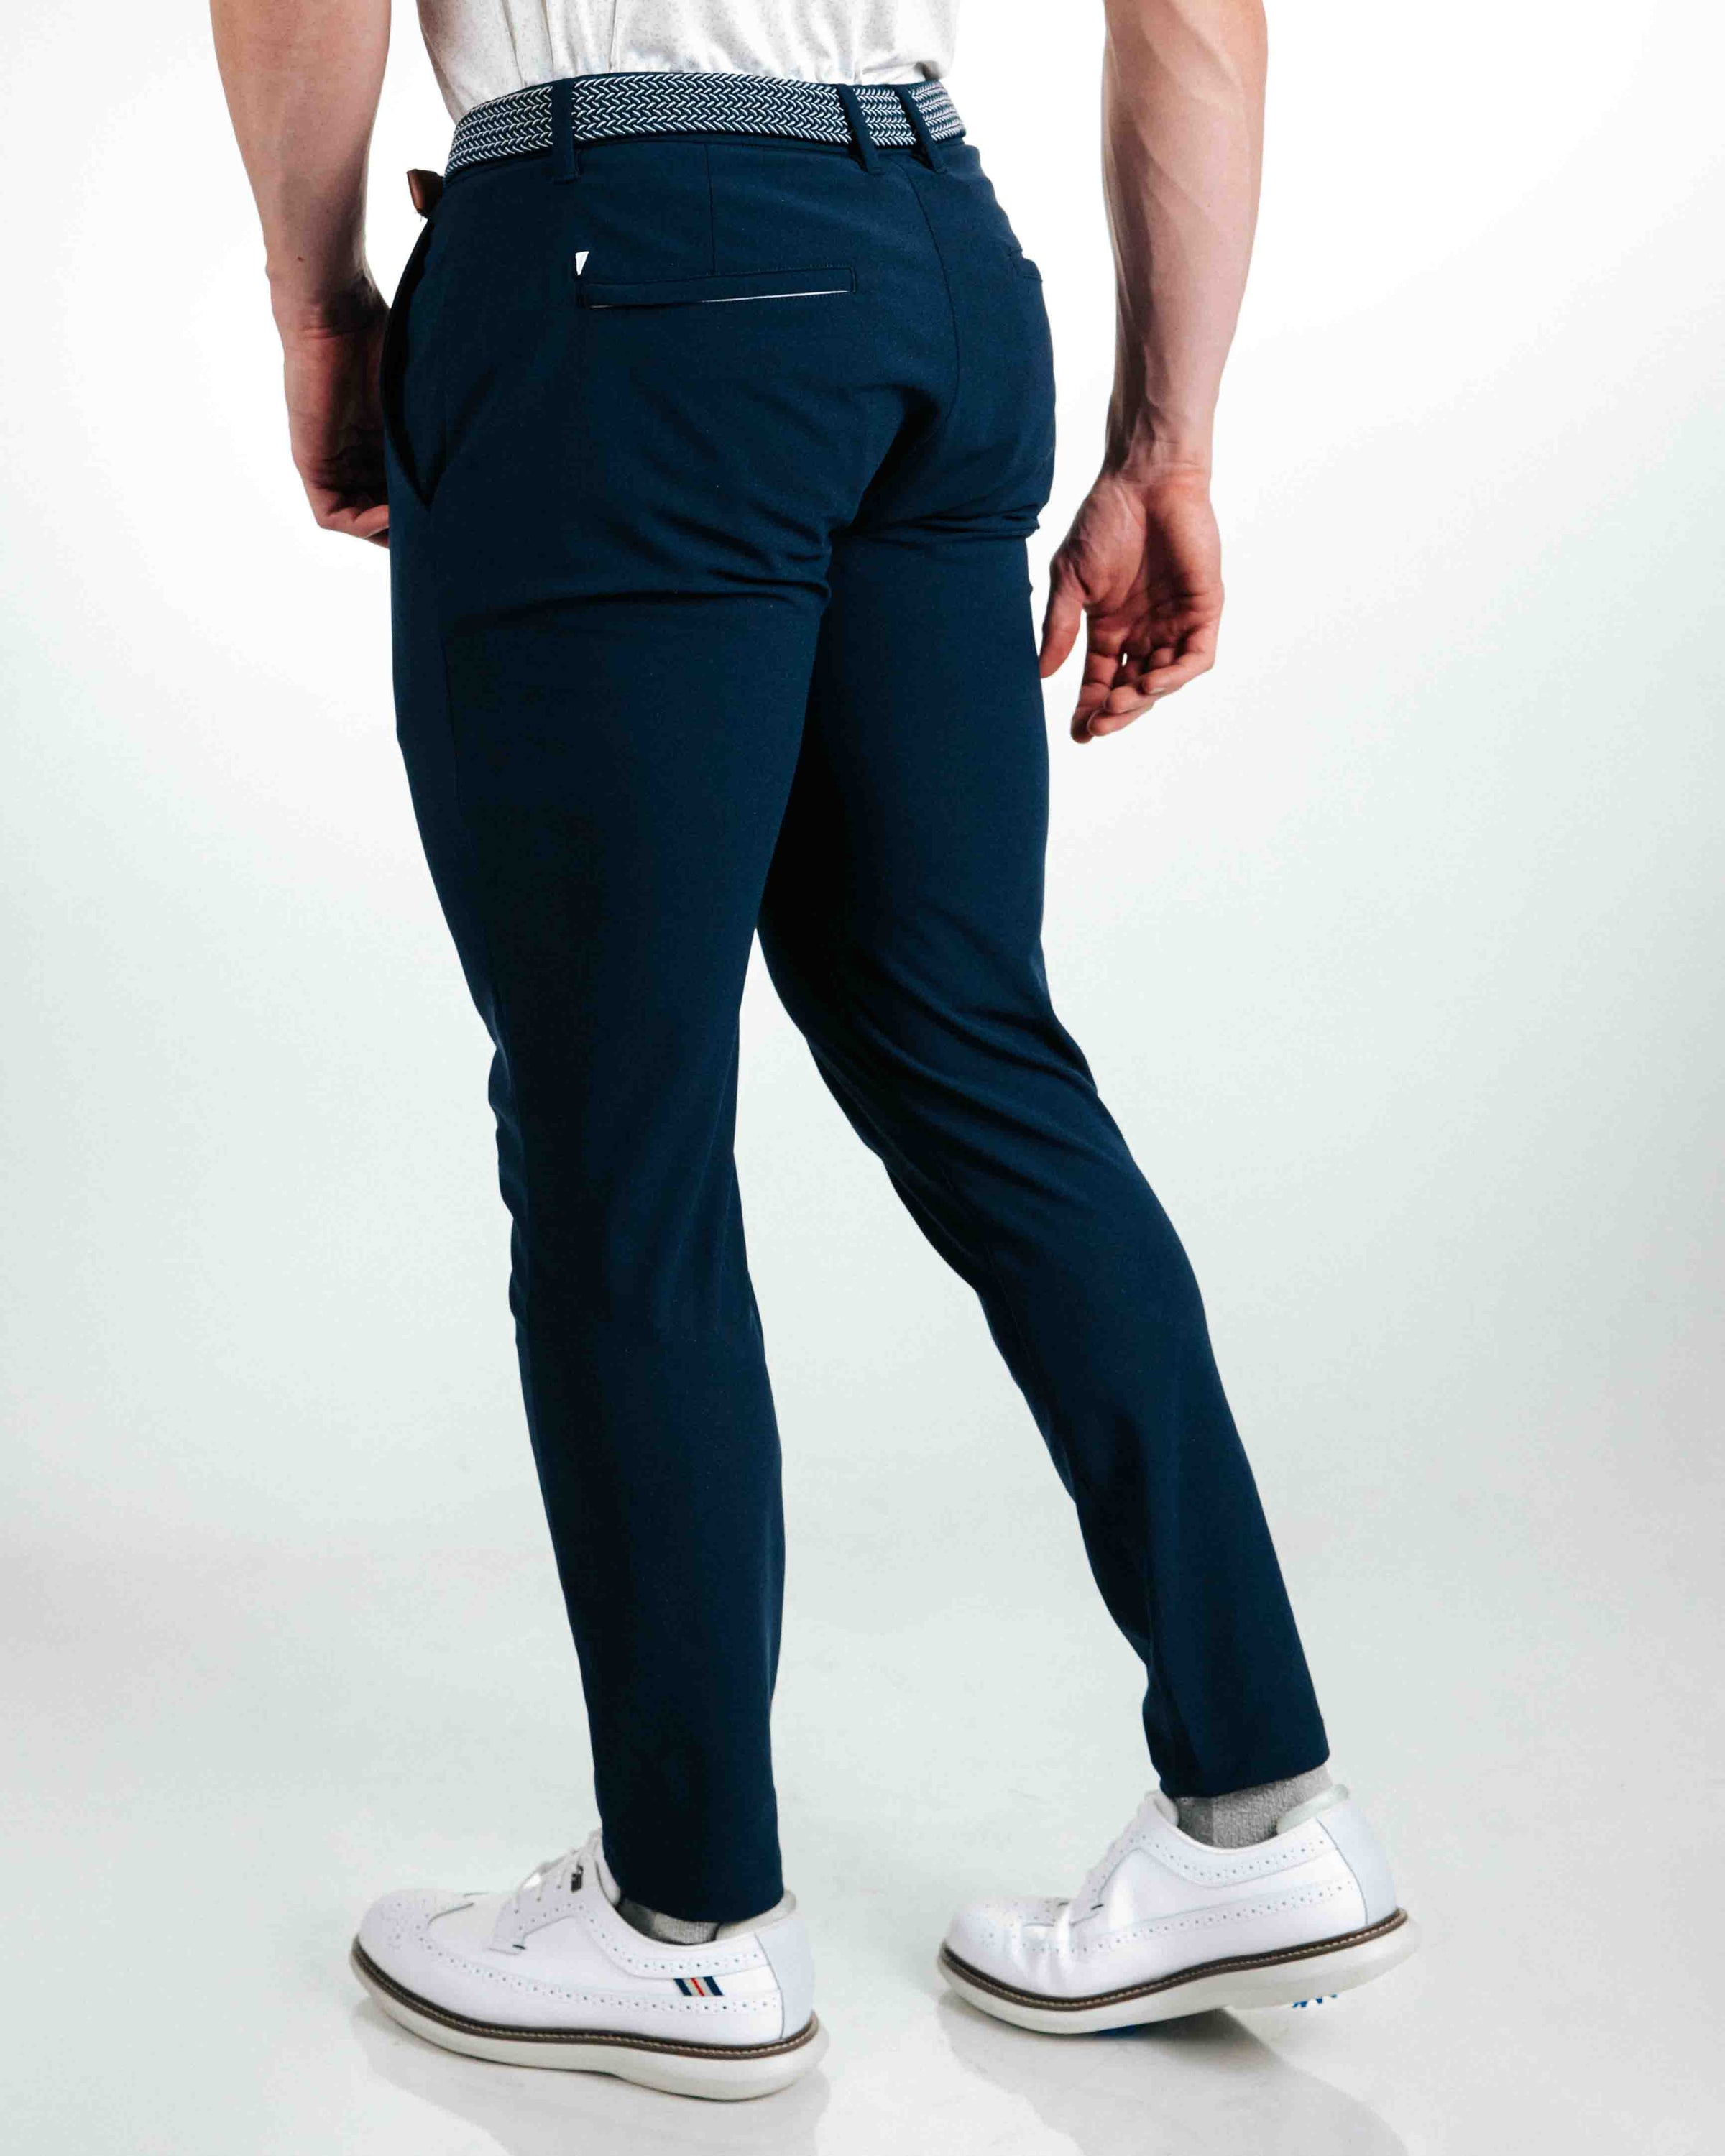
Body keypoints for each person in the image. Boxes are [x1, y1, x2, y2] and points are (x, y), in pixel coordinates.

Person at [213, 0, 1417, 2101]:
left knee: (619, 1120)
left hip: (618, 280)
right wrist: (1168, 443)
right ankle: (1262, 1816)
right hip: (935, 267)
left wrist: (322, 305)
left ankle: (685, 1927)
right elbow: (1196, 23)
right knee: (973, 1052)